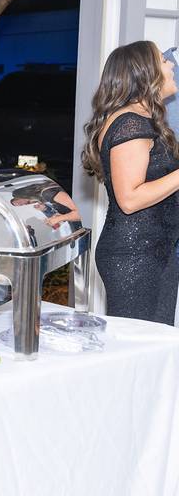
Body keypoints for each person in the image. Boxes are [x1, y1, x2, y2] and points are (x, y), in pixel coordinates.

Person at [82, 40, 179, 324]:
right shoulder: (130, 123)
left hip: (154, 251)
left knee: (151, 350)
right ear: (144, 73)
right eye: (163, 60)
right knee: (137, 350)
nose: (171, 65)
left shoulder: (143, 121)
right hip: (136, 256)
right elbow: (130, 199)